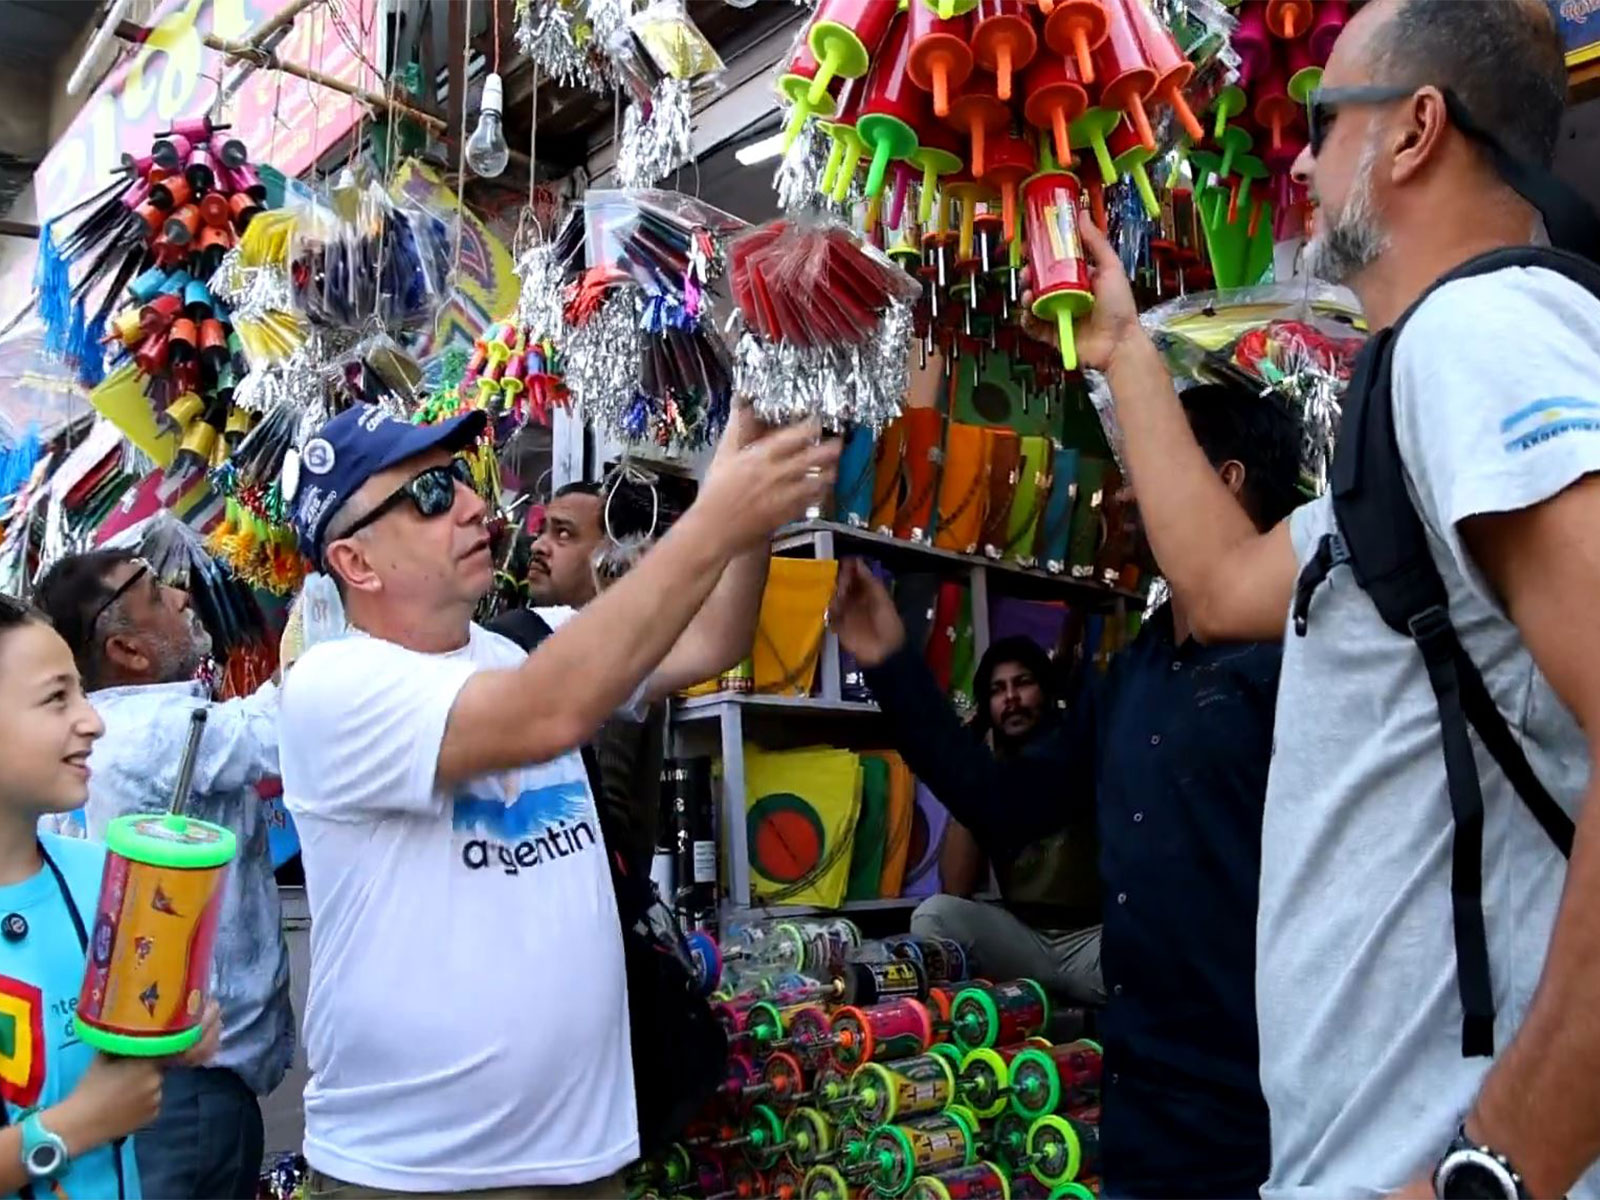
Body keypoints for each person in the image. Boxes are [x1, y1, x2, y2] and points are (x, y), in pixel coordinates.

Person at [1027, 1, 1600, 1195]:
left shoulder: (1478, 337)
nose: (1292, 155)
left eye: (1318, 120)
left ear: (1412, 132)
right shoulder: (1418, 382)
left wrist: (1502, 1166)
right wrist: (1128, 347)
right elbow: (1227, 583)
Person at [278, 402, 835, 1197]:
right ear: (354, 563)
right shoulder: (332, 687)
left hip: (587, 1157)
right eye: (432, 495)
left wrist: (746, 466)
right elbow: (550, 712)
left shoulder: (523, 645)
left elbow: (716, 639)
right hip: (420, 1173)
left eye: (463, 481)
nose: (475, 506)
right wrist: (718, 514)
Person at [830, 383, 1299, 1198]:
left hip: (1272, 1100)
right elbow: (1006, 802)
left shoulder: (1305, 655)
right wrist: (893, 664)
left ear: (1223, 482)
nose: (1118, 491)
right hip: (1142, 1093)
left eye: (1143, 462)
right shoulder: (1132, 674)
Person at [32, 550, 293, 1200]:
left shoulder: (119, 734)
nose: (181, 596)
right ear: (126, 649)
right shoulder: (154, 728)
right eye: (154, 593)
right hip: (185, 1086)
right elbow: (292, 725)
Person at [0, 593, 220, 1199]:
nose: (93, 721)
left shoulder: (111, 881)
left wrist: (179, 1032)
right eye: (56, 699)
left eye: (82, 693)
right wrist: (76, 1127)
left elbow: (146, 1031)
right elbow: (93, 1108)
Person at [487, 477, 696, 873]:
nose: (538, 546)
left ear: (610, 555)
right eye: (542, 530)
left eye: (563, 533)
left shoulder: (617, 657)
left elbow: (606, 813)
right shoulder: (543, 639)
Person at [909, 634, 1104, 1005]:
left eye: (1023, 683)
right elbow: (956, 887)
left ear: (1046, 692)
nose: (1011, 698)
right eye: (998, 690)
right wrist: (972, 772)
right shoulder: (994, 775)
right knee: (934, 915)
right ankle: (967, 1023)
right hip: (1024, 941)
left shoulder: (1077, 751)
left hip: (1091, 940)